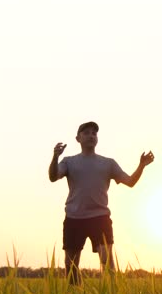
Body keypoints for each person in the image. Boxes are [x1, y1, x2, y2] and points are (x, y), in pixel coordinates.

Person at [48, 121, 154, 284]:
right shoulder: (69, 161)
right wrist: (56, 156)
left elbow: (130, 181)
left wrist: (141, 165)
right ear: (78, 138)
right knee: (71, 265)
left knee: (107, 262)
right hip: (74, 218)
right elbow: (53, 177)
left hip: (100, 218)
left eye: (94, 133)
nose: (91, 135)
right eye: (87, 133)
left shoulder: (108, 163)